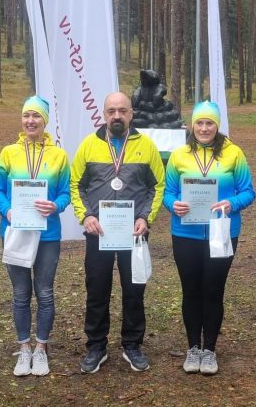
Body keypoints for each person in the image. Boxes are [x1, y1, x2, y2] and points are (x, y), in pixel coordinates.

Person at [70, 91, 165, 374]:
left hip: (133, 232)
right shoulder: (89, 145)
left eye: (122, 110)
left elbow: (157, 186)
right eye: (111, 111)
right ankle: (96, 346)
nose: (117, 116)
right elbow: (76, 185)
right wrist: (86, 215)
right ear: (104, 114)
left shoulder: (146, 146)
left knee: (134, 289)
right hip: (98, 232)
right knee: (97, 290)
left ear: (131, 113)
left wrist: (146, 217)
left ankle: (132, 344)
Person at [163, 101, 256, 375]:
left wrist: (231, 203)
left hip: (222, 231)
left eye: (210, 123)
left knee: (214, 291)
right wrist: (173, 204)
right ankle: (193, 348)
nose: (204, 128)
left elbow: (248, 191)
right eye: (200, 123)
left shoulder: (233, 153)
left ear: (217, 125)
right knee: (191, 290)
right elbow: (168, 192)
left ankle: (210, 350)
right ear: (193, 125)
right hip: (186, 233)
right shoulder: (179, 155)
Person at [0, 96, 72, 377]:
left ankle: (41, 348)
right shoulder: (8, 153)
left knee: (45, 292)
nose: (30, 121)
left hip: (47, 234)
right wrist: (7, 211)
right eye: (26, 115)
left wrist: (56, 206)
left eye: (36, 116)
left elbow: (66, 193)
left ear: (44, 121)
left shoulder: (58, 156)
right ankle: (24, 347)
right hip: (15, 231)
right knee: (20, 293)